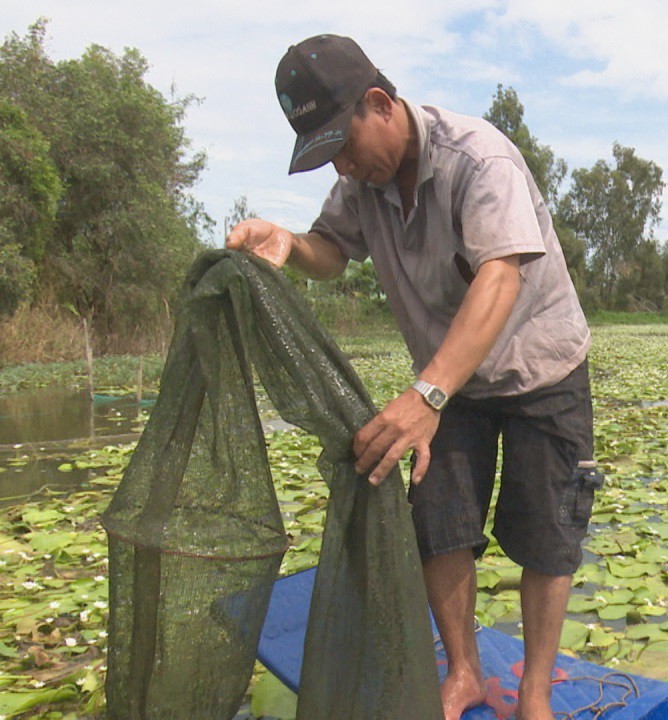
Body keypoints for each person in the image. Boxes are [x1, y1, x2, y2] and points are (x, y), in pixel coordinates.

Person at [226, 34, 599, 720]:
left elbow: (501, 275)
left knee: (550, 531)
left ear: (379, 102)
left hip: (539, 366)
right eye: (325, 154)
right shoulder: (361, 183)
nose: (340, 163)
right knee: (439, 521)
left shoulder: (477, 157)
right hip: (452, 380)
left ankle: (537, 695)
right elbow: (332, 250)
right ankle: (462, 672)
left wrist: (427, 395)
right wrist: (290, 244)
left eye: (342, 143)